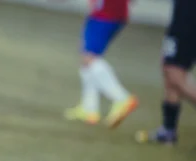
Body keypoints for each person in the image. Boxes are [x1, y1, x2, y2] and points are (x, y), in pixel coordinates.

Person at [65, 0, 138, 128]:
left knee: (90, 58)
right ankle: (89, 109)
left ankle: (122, 98)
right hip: (109, 13)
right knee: (87, 55)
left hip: (107, 13)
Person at [136, 0, 196, 145]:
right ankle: (168, 130)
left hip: (188, 20)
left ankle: (168, 131)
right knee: (169, 71)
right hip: (181, 19)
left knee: (174, 73)